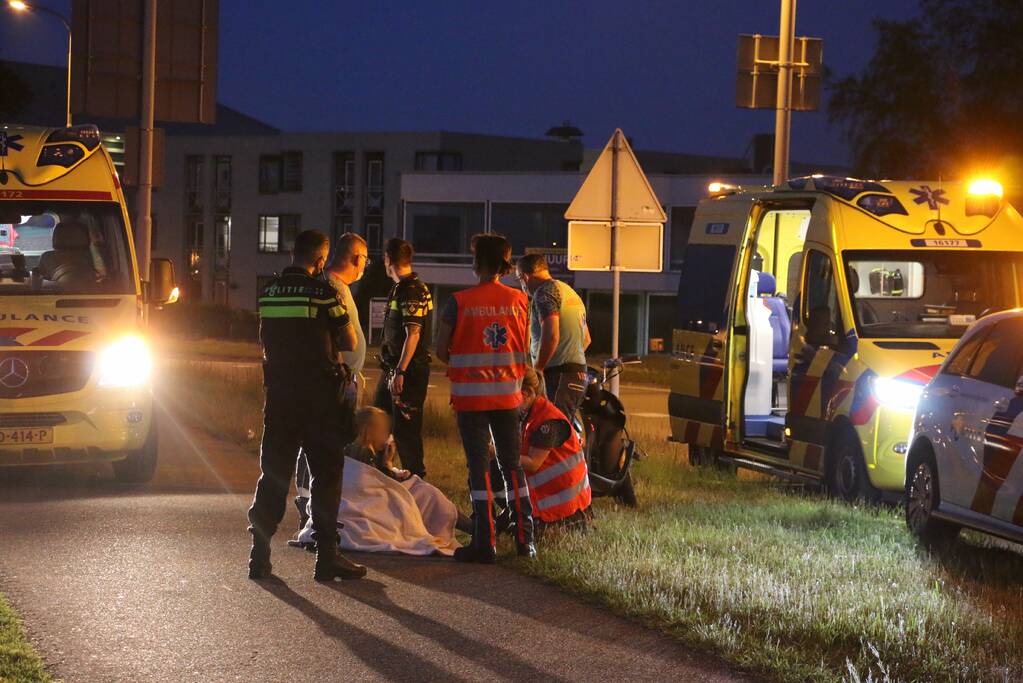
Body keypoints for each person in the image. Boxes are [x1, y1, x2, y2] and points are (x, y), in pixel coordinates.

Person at [247, 229, 367, 582]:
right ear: (319, 260)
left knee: (273, 476)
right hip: (319, 400)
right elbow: (347, 340)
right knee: (326, 477)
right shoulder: (324, 292)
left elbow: (264, 339)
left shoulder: (268, 292)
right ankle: (326, 558)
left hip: (281, 398)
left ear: (292, 254)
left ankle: (259, 555)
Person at [436, 233, 536, 563]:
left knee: (478, 468)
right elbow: (524, 349)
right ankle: (526, 541)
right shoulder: (520, 300)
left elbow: (440, 349)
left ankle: (485, 542)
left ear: (477, 263)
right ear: (504, 265)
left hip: (470, 399)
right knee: (512, 466)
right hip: (509, 396)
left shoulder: (459, 301)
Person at [293, 407, 470, 556]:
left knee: (421, 491)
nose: (386, 436)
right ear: (371, 431)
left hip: (362, 502)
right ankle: (478, 529)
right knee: (428, 494)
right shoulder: (364, 452)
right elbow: (373, 486)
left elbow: (375, 480)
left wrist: (389, 469)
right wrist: (389, 466)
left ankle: (477, 528)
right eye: (383, 431)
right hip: (370, 507)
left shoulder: (351, 447)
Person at [294, 232, 370, 529]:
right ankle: (314, 513)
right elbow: (340, 339)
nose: (365, 265)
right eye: (364, 258)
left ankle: (318, 510)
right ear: (356, 258)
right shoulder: (332, 289)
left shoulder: (336, 286)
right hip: (333, 382)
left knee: (323, 447)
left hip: (338, 379)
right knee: (322, 448)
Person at [374, 238, 433, 478]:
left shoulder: (411, 290)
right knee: (377, 422)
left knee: (406, 431)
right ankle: (381, 475)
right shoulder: (403, 287)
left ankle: (416, 482)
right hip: (392, 369)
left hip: (407, 372)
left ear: (388, 260)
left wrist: (401, 371)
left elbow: (414, 333)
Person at [515, 253, 591, 427]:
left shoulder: (544, 293)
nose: (521, 285)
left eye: (519, 279)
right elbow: (586, 339)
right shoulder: (569, 292)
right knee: (564, 431)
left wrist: (538, 370)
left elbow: (551, 335)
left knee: (551, 433)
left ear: (526, 277)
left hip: (557, 376)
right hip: (577, 374)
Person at [518, 367, 592, 538]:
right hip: (555, 506)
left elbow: (533, 463)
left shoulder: (548, 421)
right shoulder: (533, 415)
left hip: (567, 512)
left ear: (528, 392)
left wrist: (499, 453)